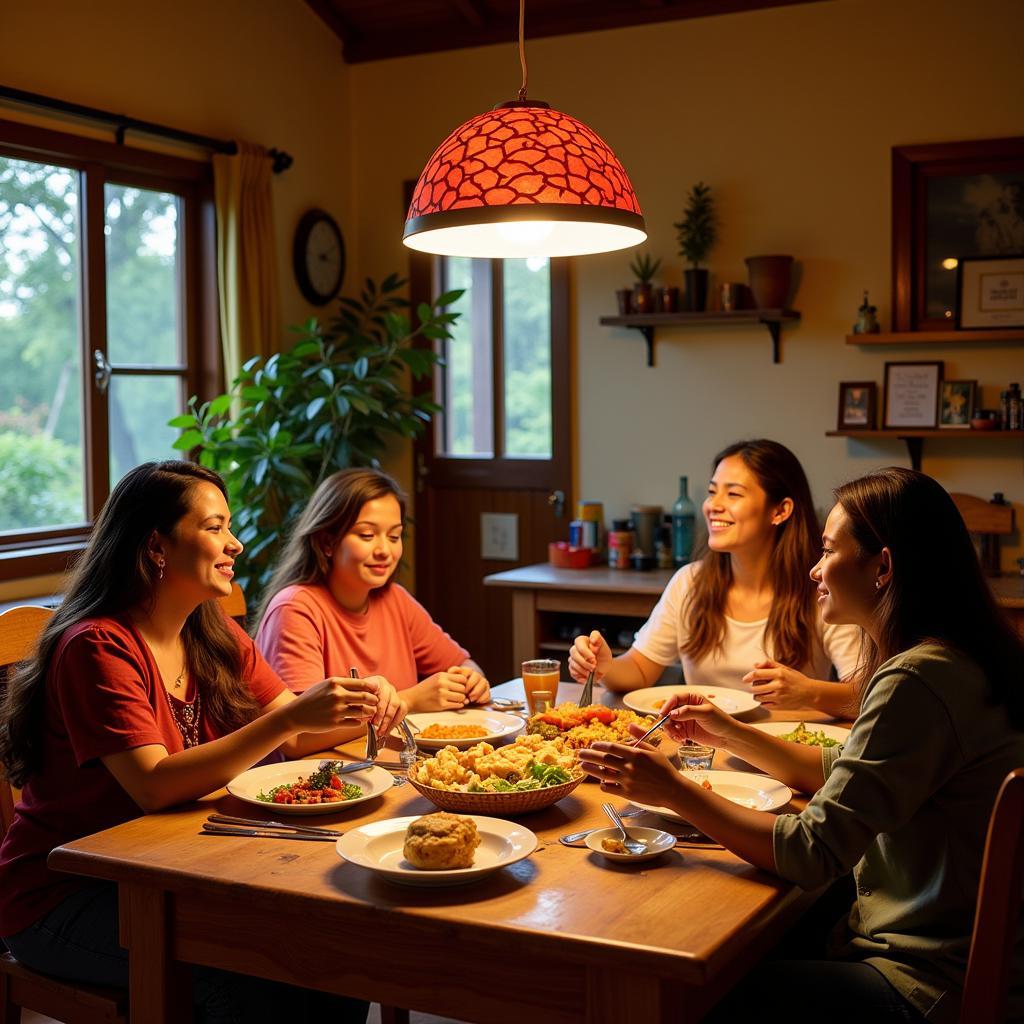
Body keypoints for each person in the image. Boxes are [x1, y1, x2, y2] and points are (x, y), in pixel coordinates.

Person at [578, 467, 1024, 1023]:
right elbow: (843, 766)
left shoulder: (917, 678)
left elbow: (811, 854)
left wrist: (673, 791)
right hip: (949, 957)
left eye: (830, 551)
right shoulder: (960, 656)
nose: (816, 568)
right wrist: (731, 731)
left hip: (922, 984)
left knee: (688, 991)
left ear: (883, 567)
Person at [0, 461, 405, 1023]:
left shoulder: (210, 630)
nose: (235, 543)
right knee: (246, 977)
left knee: (331, 949)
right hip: (66, 893)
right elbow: (154, 786)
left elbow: (298, 731)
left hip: (173, 867)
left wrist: (366, 704)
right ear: (156, 546)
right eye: (214, 527)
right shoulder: (96, 647)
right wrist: (289, 723)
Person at [569, 439, 861, 717]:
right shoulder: (689, 583)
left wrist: (809, 692)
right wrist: (604, 665)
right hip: (698, 749)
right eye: (712, 492)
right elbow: (640, 669)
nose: (713, 506)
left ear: (780, 510)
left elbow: (866, 696)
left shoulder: (822, 589)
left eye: (733, 494)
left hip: (784, 751)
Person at [255, 467, 490, 715]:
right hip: (317, 756)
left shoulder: (395, 599)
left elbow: (463, 663)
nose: (384, 551)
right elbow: (298, 734)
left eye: (394, 536)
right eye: (367, 535)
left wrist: (471, 680)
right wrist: (408, 701)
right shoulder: (294, 609)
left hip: (386, 753)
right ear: (327, 543)